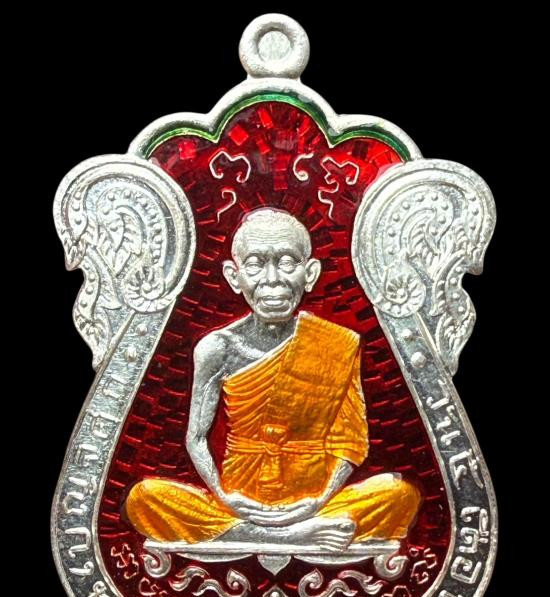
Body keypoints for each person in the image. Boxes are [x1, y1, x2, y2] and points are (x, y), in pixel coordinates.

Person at [125, 208, 421, 551]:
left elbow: (351, 441)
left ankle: (258, 533)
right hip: (237, 501)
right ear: (233, 276)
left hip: (314, 503)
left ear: (310, 273)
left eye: (287, 262)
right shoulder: (217, 348)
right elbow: (196, 438)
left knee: (400, 495)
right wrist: (223, 497)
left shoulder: (336, 344)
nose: (272, 279)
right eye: (255, 264)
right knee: (144, 498)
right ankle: (286, 536)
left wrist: (320, 500)